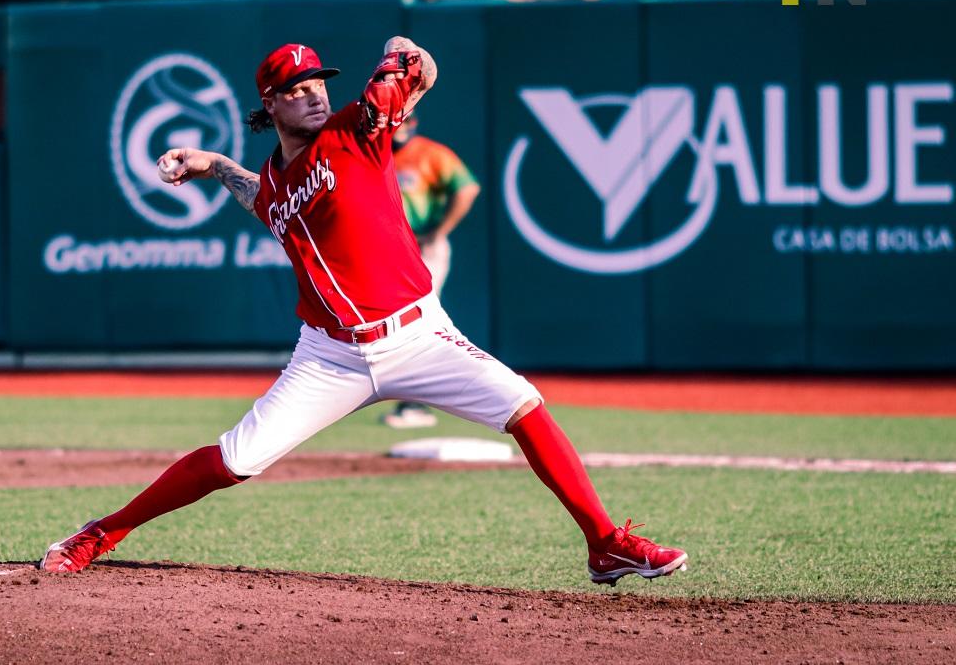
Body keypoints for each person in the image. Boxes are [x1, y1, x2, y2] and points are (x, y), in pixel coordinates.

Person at [40, 37, 689, 588]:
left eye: (317, 81)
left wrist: (399, 55)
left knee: (523, 403)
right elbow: (261, 198)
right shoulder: (273, 180)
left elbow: (421, 70)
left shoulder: (359, 128)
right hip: (330, 355)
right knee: (234, 460)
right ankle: (99, 532)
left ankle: (603, 541)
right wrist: (213, 165)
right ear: (269, 102)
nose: (312, 93)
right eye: (294, 87)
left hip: (418, 332)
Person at [380, 114, 481, 429]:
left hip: (424, 247)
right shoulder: (376, 154)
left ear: (413, 124)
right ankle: (409, 396)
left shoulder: (431, 153)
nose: (399, 129)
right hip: (388, 251)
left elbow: (467, 189)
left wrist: (439, 231)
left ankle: (418, 401)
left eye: (404, 123)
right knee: (392, 321)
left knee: (419, 319)